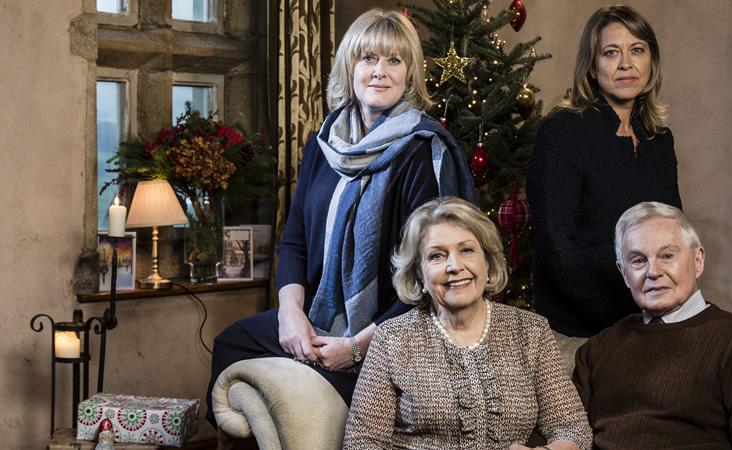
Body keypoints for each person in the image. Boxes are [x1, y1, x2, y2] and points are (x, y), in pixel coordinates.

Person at [205, 8, 477, 430]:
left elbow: (431, 278)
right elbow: (293, 240)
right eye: (368, 58)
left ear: (410, 73)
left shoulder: (422, 152)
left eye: (394, 60)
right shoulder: (323, 144)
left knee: (371, 396)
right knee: (231, 342)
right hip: (315, 317)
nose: (379, 72)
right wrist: (290, 314)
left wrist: (358, 345)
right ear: (349, 67)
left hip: (389, 330)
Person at [343, 197, 592, 450]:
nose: (455, 266)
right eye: (437, 256)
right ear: (419, 273)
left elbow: (572, 429)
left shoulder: (530, 331)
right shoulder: (392, 338)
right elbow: (361, 442)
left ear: (486, 261)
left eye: (467, 250)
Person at [573, 202, 732, 449]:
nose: (653, 272)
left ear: (698, 260)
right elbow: (563, 433)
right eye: (638, 260)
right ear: (624, 273)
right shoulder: (599, 348)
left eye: (667, 256)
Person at [527, 5, 682, 344]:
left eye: (637, 50)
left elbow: (673, 235)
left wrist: (675, 306)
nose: (626, 63)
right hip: (586, 320)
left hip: (653, 308)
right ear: (593, 68)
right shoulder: (563, 132)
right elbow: (557, 250)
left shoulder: (658, 139)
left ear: (651, 62)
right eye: (611, 53)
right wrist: (635, 317)